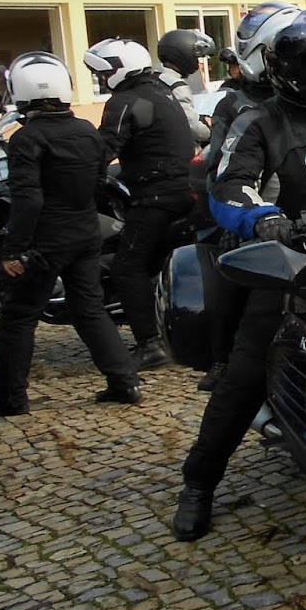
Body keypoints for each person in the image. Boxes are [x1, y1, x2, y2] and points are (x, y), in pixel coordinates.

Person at [173, 9, 306, 541]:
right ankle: (199, 481)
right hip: (296, 265)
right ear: (300, 74)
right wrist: (261, 217)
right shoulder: (261, 122)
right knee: (247, 371)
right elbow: (227, 186)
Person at [0, 52, 141, 416]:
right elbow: (98, 181)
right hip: (86, 232)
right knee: (89, 309)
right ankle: (124, 381)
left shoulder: (26, 139)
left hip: (46, 240)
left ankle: (10, 398)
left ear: (21, 91)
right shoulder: (86, 131)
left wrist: (13, 250)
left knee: (18, 317)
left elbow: (28, 199)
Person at [195, 4, 302, 394]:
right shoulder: (237, 104)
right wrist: (251, 215)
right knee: (233, 274)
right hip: (261, 217)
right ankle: (223, 361)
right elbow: (222, 172)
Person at [86, 37, 198, 371]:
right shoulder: (160, 92)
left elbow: (103, 150)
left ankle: (149, 345)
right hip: (182, 190)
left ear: (120, 71)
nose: (102, 79)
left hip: (157, 197)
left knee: (127, 267)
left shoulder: (125, 101)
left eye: (104, 73)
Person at [156, 28, 215, 144]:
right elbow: (194, 128)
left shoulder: (155, 77)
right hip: (172, 148)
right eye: (195, 57)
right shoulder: (176, 87)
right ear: (184, 55)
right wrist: (216, 130)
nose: (197, 62)